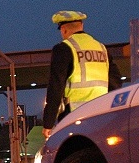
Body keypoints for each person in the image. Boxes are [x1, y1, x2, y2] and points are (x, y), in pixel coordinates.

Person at [42, 10, 121, 139]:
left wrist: (48, 123)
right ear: (81, 26)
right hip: (101, 114)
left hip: (74, 115)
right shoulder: (101, 48)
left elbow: (56, 86)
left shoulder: (63, 48)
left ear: (63, 29)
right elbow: (115, 82)